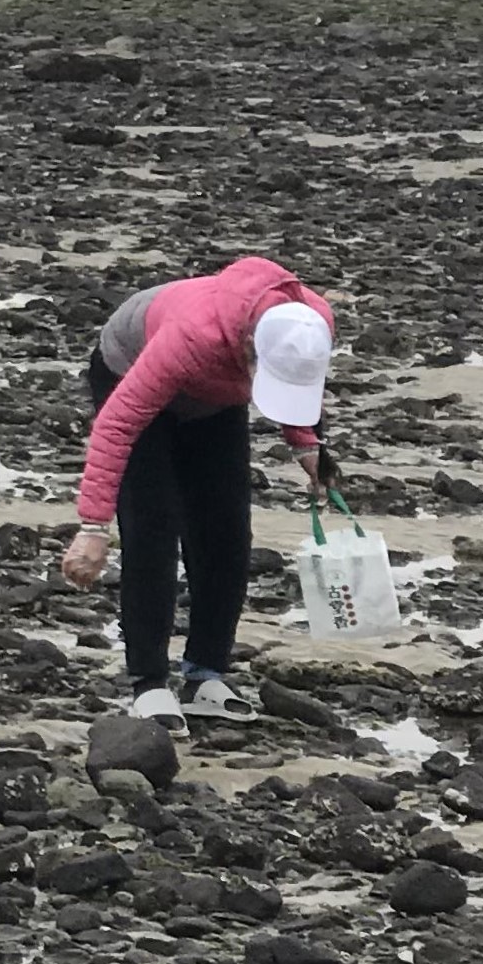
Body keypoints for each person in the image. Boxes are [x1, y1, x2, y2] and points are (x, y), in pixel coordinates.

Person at [56, 255, 333, 722]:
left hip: (216, 394)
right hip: (131, 366)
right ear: (248, 348)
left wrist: (306, 446)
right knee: (153, 523)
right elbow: (116, 426)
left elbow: (298, 378)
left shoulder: (311, 323)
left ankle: (206, 674)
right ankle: (148, 682)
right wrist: (93, 526)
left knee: (226, 529)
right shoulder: (193, 336)